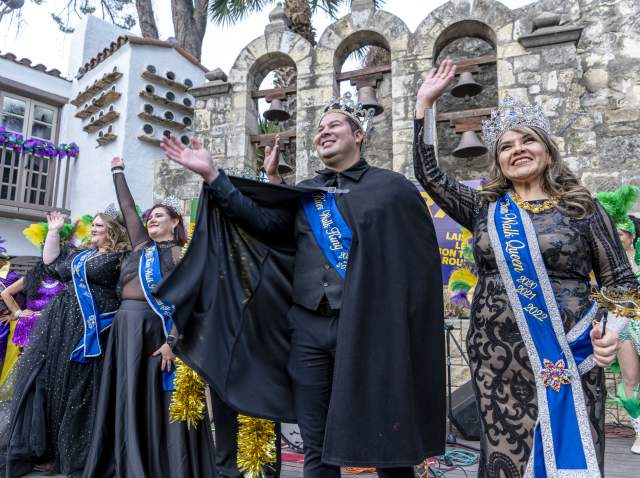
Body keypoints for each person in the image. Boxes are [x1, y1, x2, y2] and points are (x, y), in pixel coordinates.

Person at [157, 94, 446, 477]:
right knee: (316, 444)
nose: (323, 132)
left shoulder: (391, 189)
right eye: (320, 129)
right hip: (307, 328)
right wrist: (214, 176)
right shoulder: (308, 193)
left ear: (358, 135)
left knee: (387, 442)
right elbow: (262, 225)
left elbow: (416, 265)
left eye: (334, 126)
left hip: (369, 330)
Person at [413, 59, 626, 477]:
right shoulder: (483, 208)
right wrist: (425, 105)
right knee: (504, 455)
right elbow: (430, 176)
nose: (518, 151)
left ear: (548, 151)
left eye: (527, 141)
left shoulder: (582, 207)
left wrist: (611, 336)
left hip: (569, 351)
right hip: (496, 359)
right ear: (498, 160)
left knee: (570, 448)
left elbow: (621, 281)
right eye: (507, 147)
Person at [82, 157, 216, 478]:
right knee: (128, 395)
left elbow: (188, 303)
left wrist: (172, 342)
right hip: (125, 329)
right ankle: (128, 461)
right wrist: (118, 172)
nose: (152, 219)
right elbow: (127, 208)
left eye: (160, 215)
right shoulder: (141, 247)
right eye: (150, 216)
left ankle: (159, 466)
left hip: (155, 331)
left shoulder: (179, 254)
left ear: (175, 221)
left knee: (155, 400)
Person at [2, 210, 128, 477]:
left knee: (78, 388)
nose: (93, 229)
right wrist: (54, 232)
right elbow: (50, 263)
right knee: (53, 382)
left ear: (113, 230)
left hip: (92, 325)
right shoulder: (80, 255)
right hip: (60, 325)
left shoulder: (120, 257)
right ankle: (49, 452)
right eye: (92, 225)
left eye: (98, 226)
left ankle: (72, 455)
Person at [596, 185, 640, 454]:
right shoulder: (607, 266)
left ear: (632, 237)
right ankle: (639, 431)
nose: (618, 237)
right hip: (623, 327)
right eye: (615, 233)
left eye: (621, 233)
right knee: (630, 379)